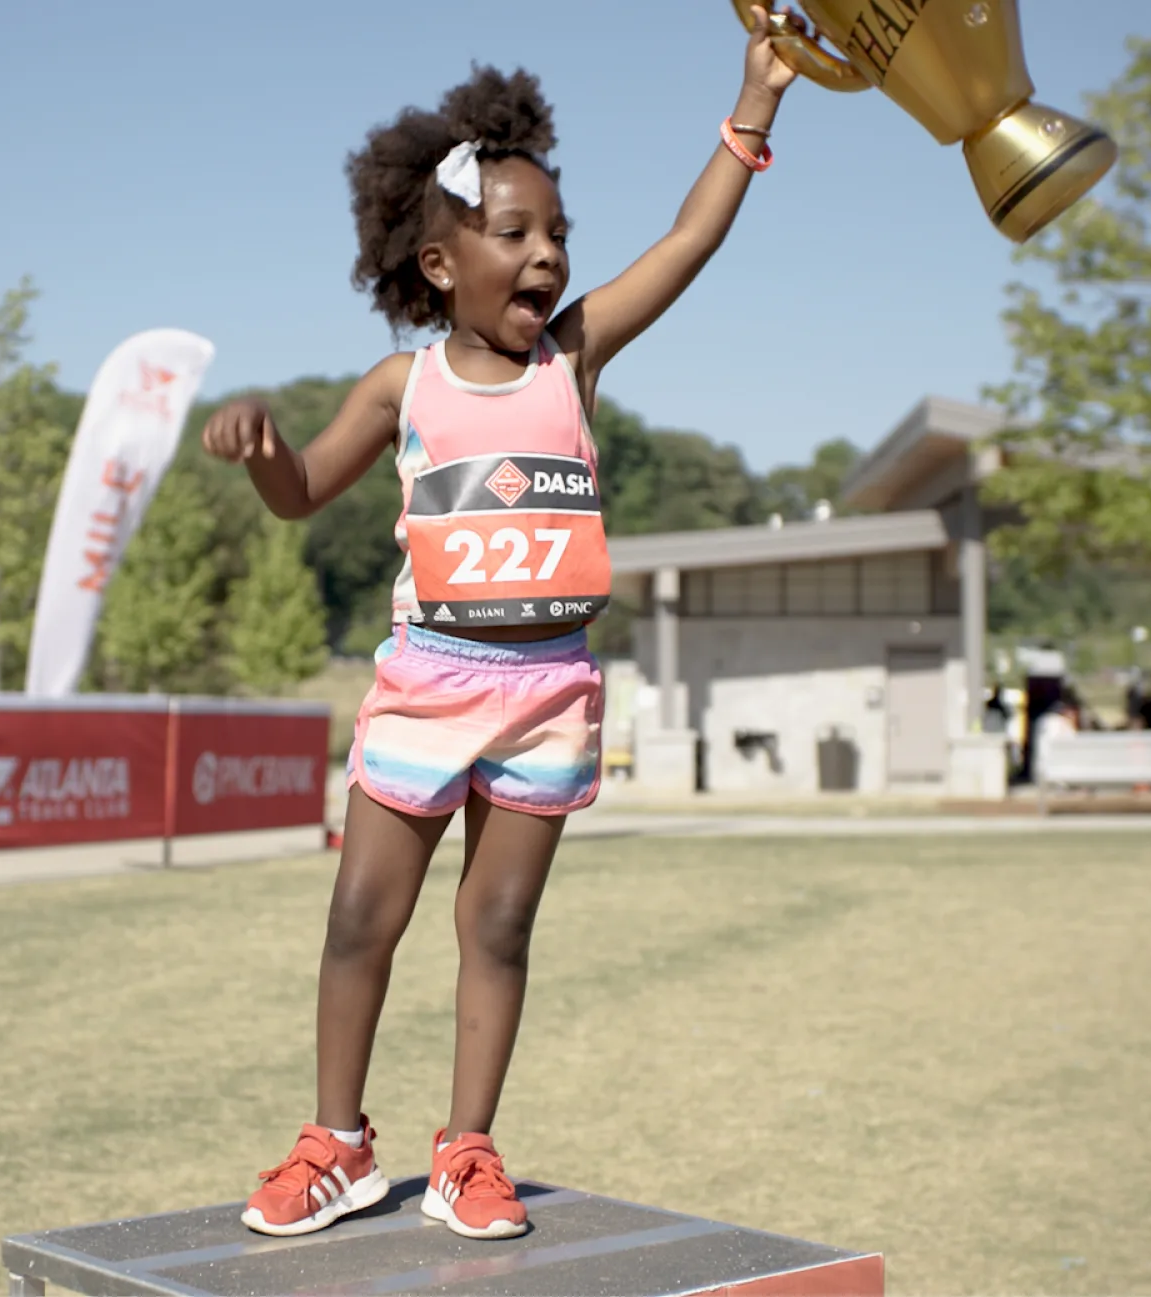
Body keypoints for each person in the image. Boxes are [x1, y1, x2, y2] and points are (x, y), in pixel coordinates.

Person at [200, 15, 799, 1242]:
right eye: (514, 234)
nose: (546, 257)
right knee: (364, 914)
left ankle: (469, 1149)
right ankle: (338, 1146)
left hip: (547, 694)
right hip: (427, 684)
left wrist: (757, 105)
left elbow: (688, 240)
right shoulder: (399, 387)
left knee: (500, 925)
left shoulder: (572, 362)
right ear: (436, 264)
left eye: (558, 236)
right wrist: (263, 451)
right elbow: (304, 490)